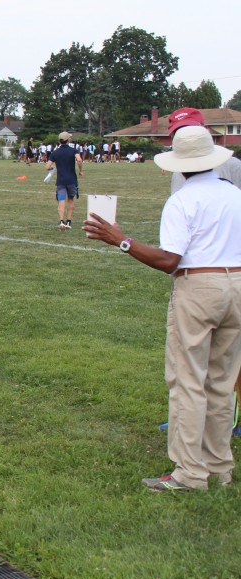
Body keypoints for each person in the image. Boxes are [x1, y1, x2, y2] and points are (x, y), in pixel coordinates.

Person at [83, 125, 241, 491]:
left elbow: (170, 259)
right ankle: (219, 467)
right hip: (237, 284)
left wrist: (121, 240)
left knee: (188, 381)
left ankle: (190, 473)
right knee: (220, 383)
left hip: (199, 287)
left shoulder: (183, 200)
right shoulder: (235, 193)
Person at [165, 108, 241, 438]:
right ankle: (211, 449)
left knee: (198, 372)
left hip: (211, 276)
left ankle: (191, 463)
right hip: (209, 275)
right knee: (207, 369)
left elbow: (169, 257)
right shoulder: (183, 174)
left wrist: (122, 241)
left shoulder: (232, 169)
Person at [44, 131, 84, 231]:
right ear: (68, 140)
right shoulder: (73, 150)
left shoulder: (55, 152)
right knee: (70, 199)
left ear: (59, 141)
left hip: (61, 181)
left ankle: (61, 221)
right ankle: (69, 221)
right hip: (72, 180)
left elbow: (47, 167)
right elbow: (79, 160)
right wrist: (81, 170)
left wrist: (52, 169)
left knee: (61, 200)